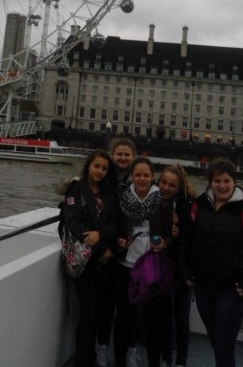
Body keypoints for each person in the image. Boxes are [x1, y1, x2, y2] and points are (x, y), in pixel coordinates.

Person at [177, 158, 243, 367]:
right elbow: (185, 242)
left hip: (233, 289)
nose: (222, 185)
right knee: (215, 339)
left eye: (226, 181)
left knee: (223, 345)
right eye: (217, 181)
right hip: (203, 286)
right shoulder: (198, 207)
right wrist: (185, 272)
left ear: (234, 181)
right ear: (210, 182)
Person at [60, 149, 119, 367]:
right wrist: (102, 247)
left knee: (97, 310)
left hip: (102, 262)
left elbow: (114, 224)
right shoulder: (75, 189)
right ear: (88, 166)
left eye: (104, 168)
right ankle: (81, 361)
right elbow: (74, 223)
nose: (100, 171)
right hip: (83, 260)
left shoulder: (108, 192)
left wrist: (101, 236)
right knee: (88, 311)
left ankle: (91, 356)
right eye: (97, 166)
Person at [114, 157, 171, 367]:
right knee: (123, 319)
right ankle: (120, 362)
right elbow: (114, 227)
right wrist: (119, 240)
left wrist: (164, 243)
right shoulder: (122, 199)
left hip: (150, 267)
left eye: (146, 175)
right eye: (137, 174)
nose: (141, 179)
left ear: (152, 176)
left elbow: (170, 234)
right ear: (132, 176)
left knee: (152, 322)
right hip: (126, 266)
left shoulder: (162, 203)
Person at [96, 138, 137, 367]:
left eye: (126, 154)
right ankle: (102, 348)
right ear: (113, 155)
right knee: (105, 303)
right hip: (107, 250)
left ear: (133, 156)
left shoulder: (140, 179)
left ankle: (130, 350)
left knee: (129, 306)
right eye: (119, 154)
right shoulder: (104, 178)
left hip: (130, 253)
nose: (122, 158)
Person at [157, 165, 197, 367]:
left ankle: (181, 360)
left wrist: (177, 229)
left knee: (181, 316)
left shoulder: (189, 207)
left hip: (183, 268)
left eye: (172, 185)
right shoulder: (154, 201)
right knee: (164, 316)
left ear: (179, 188)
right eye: (163, 182)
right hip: (162, 265)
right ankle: (165, 358)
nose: (166, 187)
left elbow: (190, 239)